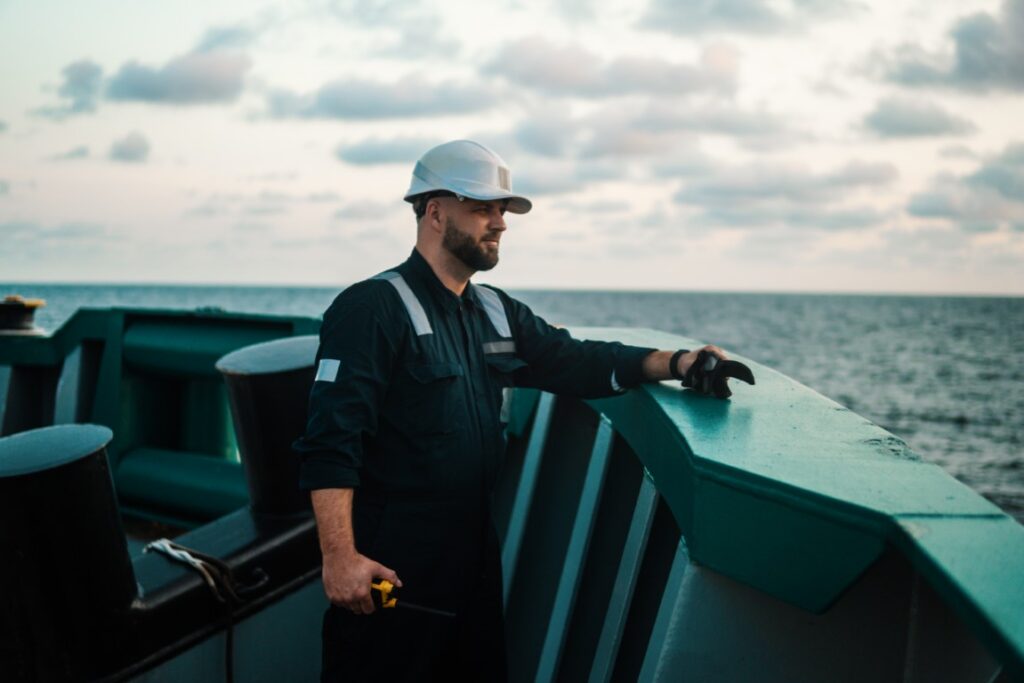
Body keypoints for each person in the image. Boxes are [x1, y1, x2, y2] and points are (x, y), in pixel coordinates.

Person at [293, 140, 731, 682]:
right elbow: (330, 441)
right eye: (482, 208)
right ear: (434, 211)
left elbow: (576, 361)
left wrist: (682, 362)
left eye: (502, 210)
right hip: (392, 575)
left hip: (473, 565)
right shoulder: (371, 309)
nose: (498, 222)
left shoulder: (495, 311)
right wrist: (340, 558)